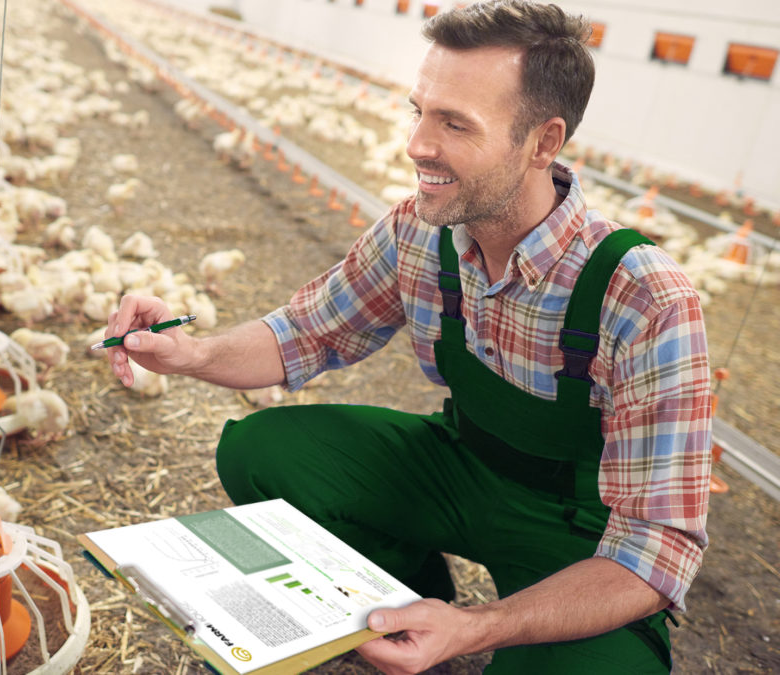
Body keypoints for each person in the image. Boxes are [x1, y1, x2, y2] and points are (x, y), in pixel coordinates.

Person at [104, 0, 711, 672]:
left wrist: (480, 627)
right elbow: (303, 332)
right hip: (460, 466)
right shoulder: (421, 234)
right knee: (260, 448)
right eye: (418, 110)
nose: (418, 144)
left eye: (454, 123)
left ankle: (457, 629)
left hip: (580, 530)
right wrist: (189, 353)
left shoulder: (644, 299)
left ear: (543, 142)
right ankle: (412, 600)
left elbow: (654, 554)